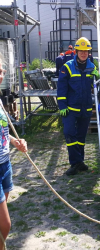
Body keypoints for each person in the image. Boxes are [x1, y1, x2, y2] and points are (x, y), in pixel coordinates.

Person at [57, 37, 100, 176]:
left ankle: (79, 162)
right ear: (76, 51)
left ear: (89, 52)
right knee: (69, 133)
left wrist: (97, 77)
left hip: (86, 107)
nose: (83, 53)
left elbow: (95, 86)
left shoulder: (92, 66)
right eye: (81, 51)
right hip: (70, 109)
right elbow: (62, 88)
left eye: (86, 51)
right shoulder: (67, 66)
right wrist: (62, 105)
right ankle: (75, 162)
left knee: (81, 136)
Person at [0, 55, 28, 250]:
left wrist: (15, 142)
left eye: (1, 72)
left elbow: (2, 131)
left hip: (5, 164)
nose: (0, 76)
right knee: (5, 224)